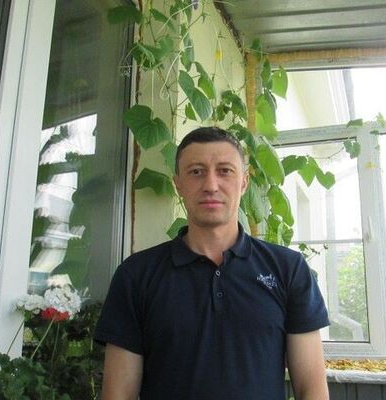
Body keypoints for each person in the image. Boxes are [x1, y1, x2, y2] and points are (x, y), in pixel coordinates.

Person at [94, 127, 330, 400]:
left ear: (244, 182)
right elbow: (118, 394)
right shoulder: (136, 275)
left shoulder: (288, 269)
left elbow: (311, 388)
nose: (211, 185)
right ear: (178, 184)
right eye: (196, 171)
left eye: (225, 171)